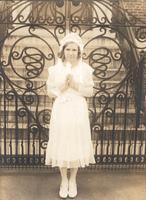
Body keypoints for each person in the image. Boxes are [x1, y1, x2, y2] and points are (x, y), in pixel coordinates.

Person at [45, 32, 95, 199]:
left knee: (76, 142)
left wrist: (75, 85)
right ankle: (63, 180)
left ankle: (73, 179)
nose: (71, 53)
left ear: (79, 51)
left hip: (78, 109)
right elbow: (50, 92)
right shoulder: (54, 69)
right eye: (68, 49)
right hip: (61, 109)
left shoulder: (86, 69)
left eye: (75, 49)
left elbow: (90, 91)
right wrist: (62, 87)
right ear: (63, 50)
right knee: (62, 142)